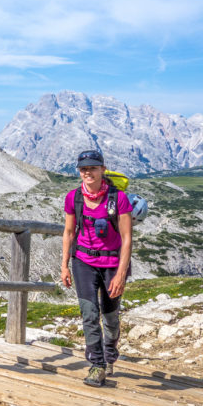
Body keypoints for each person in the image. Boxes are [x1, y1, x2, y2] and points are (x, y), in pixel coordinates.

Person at [60, 149, 133, 386]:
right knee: (89, 314)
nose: (87, 172)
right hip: (83, 261)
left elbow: (127, 237)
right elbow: (69, 232)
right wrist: (64, 266)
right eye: (83, 169)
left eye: (92, 167)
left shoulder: (118, 198)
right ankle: (97, 365)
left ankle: (110, 355)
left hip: (112, 263)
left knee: (110, 316)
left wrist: (121, 274)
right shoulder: (73, 197)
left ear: (102, 169)